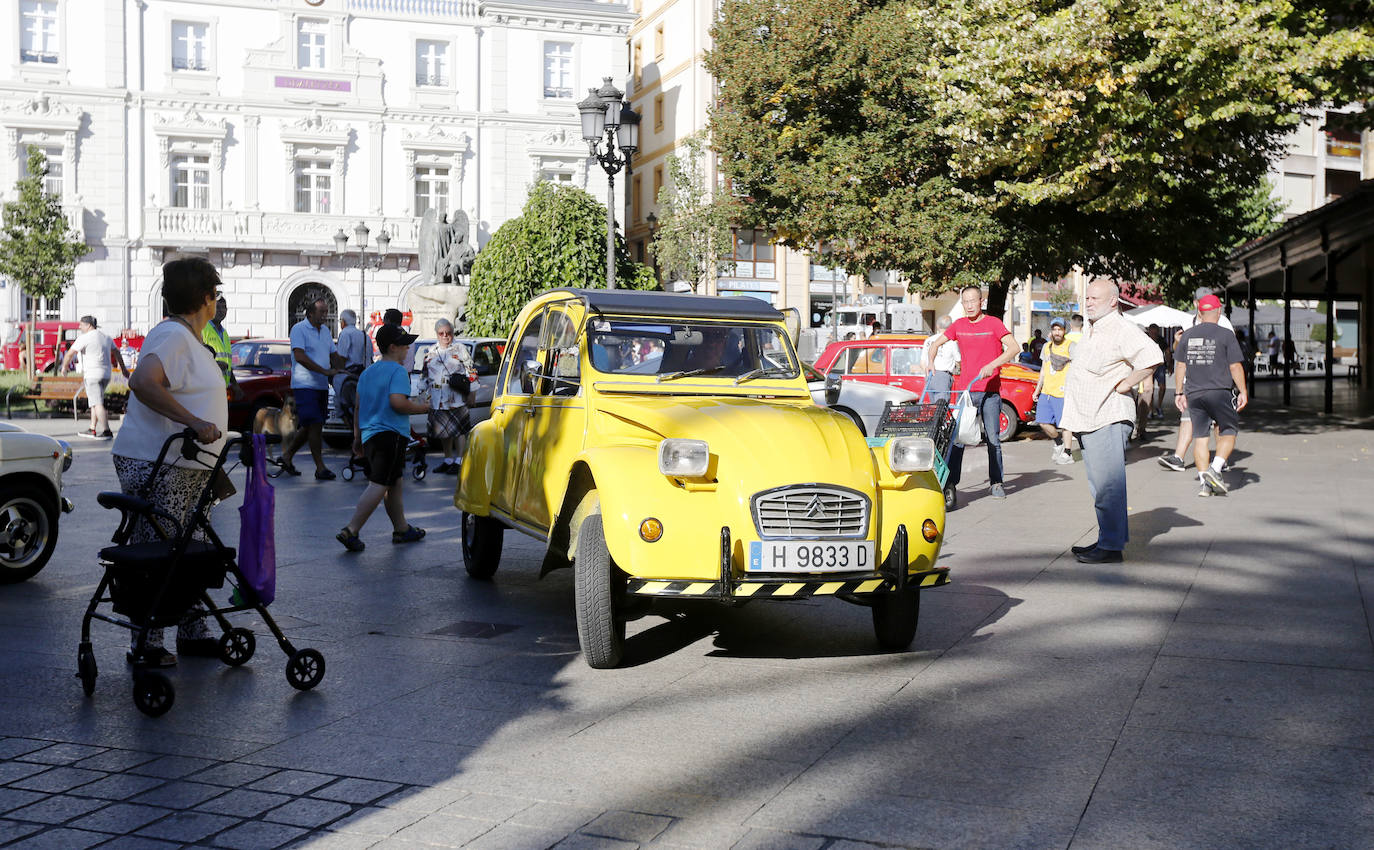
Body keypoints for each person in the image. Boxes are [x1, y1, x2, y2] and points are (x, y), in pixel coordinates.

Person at [110, 258, 228, 665]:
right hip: (161, 463)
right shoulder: (173, 335)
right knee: (159, 550)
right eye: (215, 294)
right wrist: (194, 421)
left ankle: (193, 631)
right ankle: (147, 642)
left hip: (184, 468)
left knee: (186, 548)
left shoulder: (187, 338)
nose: (217, 302)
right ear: (206, 299)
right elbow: (142, 382)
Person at [1060, 281, 1163, 564]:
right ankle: (1106, 540)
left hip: (1108, 416)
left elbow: (1152, 357)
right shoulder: (1095, 328)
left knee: (1109, 486)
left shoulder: (1122, 328)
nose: (1089, 302)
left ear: (1114, 301)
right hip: (1090, 417)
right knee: (1101, 486)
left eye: (1095, 298)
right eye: (1087, 297)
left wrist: (1128, 382)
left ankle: (1111, 547)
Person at [336, 323, 430, 552]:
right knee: (379, 484)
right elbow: (398, 403)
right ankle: (351, 529)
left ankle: (401, 528)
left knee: (393, 482)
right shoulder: (398, 371)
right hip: (391, 435)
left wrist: (357, 438)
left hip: (370, 435)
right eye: (404, 344)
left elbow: (358, 407)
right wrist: (422, 408)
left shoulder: (368, 372)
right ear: (392, 347)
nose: (408, 348)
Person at [922, 286, 1018, 508]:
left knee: (993, 439)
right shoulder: (959, 325)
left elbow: (1013, 348)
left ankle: (996, 482)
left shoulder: (993, 323)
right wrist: (930, 362)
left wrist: (992, 365)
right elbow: (936, 343)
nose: (969, 305)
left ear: (981, 301)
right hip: (967, 391)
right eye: (965, 302)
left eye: (973, 301)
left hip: (990, 391)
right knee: (958, 438)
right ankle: (951, 483)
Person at [1175, 294, 1248, 496]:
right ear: (1219, 311)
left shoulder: (1187, 335)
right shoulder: (1226, 335)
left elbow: (1180, 365)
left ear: (1199, 312)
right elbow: (1234, 366)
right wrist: (1242, 390)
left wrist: (1179, 392)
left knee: (1200, 438)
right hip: (1219, 392)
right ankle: (1215, 470)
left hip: (1193, 392)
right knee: (1229, 430)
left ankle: (1204, 485)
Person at [1158, 288, 1236, 472]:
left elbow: (1230, 351)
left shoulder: (1223, 322)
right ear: (1195, 304)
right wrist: (1177, 342)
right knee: (1187, 419)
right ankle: (1179, 457)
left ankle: (1219, 459)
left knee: (1217, 423)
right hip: (1192, 382)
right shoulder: (1188, 322)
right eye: (1202, 301)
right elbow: (1181, 356)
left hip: (1217, 382)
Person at [279, 299, 344, 479]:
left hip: (321, 385)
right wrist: (324, 370)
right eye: (321, 312)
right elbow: (299, 356)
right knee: (314, 424)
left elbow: (334, 355)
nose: (325, 315)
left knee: (311, 425)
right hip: (304, 384)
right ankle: (320, 467)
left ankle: (286, 456)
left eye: (326, 311)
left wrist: (346, 367)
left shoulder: (325, 331)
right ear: (310, 314)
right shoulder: (299, 329)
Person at [61, 315, 129, 439]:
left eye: (81, 325)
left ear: (88, 325)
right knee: (95, 400)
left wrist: (64, 367)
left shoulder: (84, 338)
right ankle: (92, 428)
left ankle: (106, 430)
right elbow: (117, 352)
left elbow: (69, 354)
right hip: (106, 374)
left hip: (92, 374)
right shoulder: (106, 337)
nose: (79, 327)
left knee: (97, 403)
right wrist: (123, 369)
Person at [422, 318, 476, 474]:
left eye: (449, 333)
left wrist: (472, 393)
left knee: (459, 430)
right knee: (443, 431)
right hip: (437, 398)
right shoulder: (431, 351)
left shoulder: (460, 349)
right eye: (441, 333)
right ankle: (448, 460)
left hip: (456, 397)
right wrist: (421, 394)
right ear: (437, 334)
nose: (445, 336)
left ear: (453, 333)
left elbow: (471, 372)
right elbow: (424, 375)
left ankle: (459, 461)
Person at [1031, 317, 1074, 464]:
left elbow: (1078, 368)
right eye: (1054, 329)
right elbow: (1043, 370)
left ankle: (1068, 453)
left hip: (1063, 392)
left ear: (1064, 331)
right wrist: (1037, 389)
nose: (1057, 332)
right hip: (1046, 392)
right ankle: (1058, 442)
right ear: (1051, 331)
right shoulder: (1046, 347)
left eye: (1059, 329)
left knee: (1065, 424)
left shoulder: (1071, 346)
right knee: (1042, 422)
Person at [201, 296, 241, 401]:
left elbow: (228, 364)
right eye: (218, 307)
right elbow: (197, 359)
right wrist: (216, 365)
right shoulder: (203, 329)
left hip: (222, 388)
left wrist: (235, 385)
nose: (221, 311)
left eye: (224, 307)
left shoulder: (224, 333)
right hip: (207, 388)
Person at [923, 315, 959, 402]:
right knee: (941, 408)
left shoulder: (928, 340)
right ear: (951, 327)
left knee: (933, 408)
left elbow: (923, 362)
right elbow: (958, 359)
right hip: (943, 376)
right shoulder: (951, 341)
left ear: (937, 326)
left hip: (929, 375)